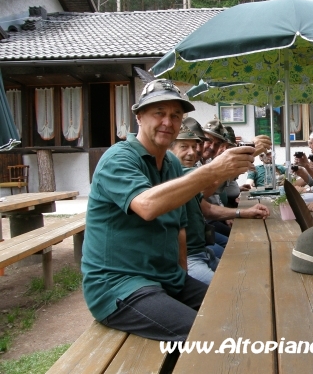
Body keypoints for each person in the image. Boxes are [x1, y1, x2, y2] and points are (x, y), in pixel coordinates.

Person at [82, 79, 261, 341]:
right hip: (120, 286)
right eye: (159, 113)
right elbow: (146, 205)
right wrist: (211, 171)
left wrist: (182, 279)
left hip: (167, 278)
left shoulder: (171, 165)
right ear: (139, 116)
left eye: (175, 115)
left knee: (241, 309)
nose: (168, 121)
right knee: (208, 335)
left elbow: (179, 230)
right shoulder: (118, 158)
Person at [170, 124, 270, 283]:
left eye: (194, 146)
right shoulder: (176, 174)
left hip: (202, 250)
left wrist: (243, 212)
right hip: (190, 258)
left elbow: (207, 208)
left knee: (249, 272)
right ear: (170, 150)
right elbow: (207, 189)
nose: (192, 151)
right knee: (233, 285)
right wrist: (246, 154)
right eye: (184, 146)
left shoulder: (191, 169)